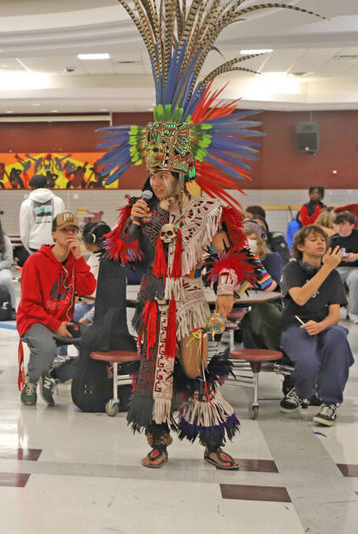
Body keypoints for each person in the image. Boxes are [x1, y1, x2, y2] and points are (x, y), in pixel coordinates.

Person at [92, 0, 297, 470]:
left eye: (163, 173)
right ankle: (158, 440)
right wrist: (130, 223)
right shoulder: (140, 209)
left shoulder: (211, 210)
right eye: (153, 172)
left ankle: (211, 443)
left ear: (182, 174)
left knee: (196, 370)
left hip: (188, 300)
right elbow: (121, 255)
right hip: (151, 300)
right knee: (154, 373)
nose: (156, 180)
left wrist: (225, 291)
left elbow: (234, 257)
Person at [16, 212, 96, 407]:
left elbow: (88, 288)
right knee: (47, 349)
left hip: (62, 320)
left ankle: (53, 375)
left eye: (73, 230)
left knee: (95, 344)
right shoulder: (35, 262)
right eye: (64, 230)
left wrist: (79, 258)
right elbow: (29, 305)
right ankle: (31, 382)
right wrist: (55, 325)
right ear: (53, 234)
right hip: (34, 320)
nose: (69, 234)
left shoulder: (74, 261)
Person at [279, 225, 352, 426]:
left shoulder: (333, 276)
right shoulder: (291, 269)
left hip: (322, 327)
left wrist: (321, 326)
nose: (321, 242)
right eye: (314, 239)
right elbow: (300, 298)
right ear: (301, 246)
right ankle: (302, 389)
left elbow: (335, 314)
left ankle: (330, 403)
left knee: (337, 336)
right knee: (309, 361)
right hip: (296, 328)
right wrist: (327, 267)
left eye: (323, 239)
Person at [241, 221, 284, 351]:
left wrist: (253, 261)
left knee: (262, 311)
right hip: (237, 306)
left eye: (253, 239)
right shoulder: (232, 259)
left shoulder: (271, 258)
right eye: (244, 239)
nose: (248, 242)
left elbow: (269, 287)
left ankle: (277, 348)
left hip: (266, 305)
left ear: (260, 240)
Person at [18, 174, 66, 254]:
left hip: (35, 245)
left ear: (32, 187)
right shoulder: (58, 201)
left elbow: (24, 231)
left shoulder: (26, 204)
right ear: (46, 186)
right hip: (54, 245)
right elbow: (63, 225)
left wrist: (28, 248)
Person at [331, 211, 358, 323]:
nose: (340, 227)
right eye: (338, 224)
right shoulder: (333, 239)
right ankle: (330, 311)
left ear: (352, 225)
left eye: (343, 224)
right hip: (337, 269)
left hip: (354, 269)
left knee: (356, 279)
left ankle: (353, 311)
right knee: (327, 278)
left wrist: (356, 256)